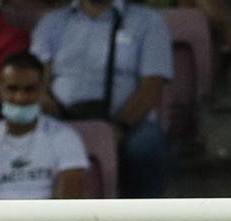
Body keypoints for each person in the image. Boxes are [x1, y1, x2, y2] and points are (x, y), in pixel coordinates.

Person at [30, 0, 173, 197]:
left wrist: (119, 127)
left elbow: (152, 86)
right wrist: (50, 111)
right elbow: (36, 80)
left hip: (124, 123)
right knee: (28, 139)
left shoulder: (149, 21)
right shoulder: (52, 22)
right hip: (62, 120)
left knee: (148, 145)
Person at [0, 52, 87, 200]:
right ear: (0, 89)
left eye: (29, 89)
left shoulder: (66, 138)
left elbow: (68, 206)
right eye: (12, 89)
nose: (20, 97)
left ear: (42, 90)